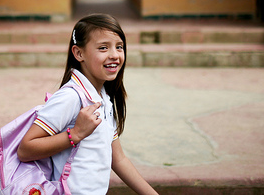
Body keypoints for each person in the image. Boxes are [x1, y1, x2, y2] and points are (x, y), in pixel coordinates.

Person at [17, 14, 158, 195]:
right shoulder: (71, 97)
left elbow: (119, 159)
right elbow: (26, 149)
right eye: (103, 48)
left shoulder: (103, 98)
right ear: (79, 53)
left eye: (119, 47)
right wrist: (75, 134)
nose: (114, 55)